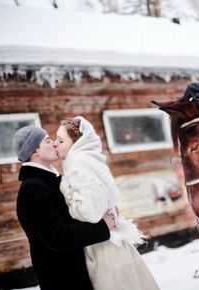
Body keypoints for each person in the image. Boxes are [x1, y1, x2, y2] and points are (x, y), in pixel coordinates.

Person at [55, 116, 160, 290]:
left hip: (104, 250)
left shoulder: (78, 163)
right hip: (110, 242)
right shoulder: (88, 160)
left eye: (61, 140)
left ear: (77, 143)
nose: (56, 144)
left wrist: (65, 190)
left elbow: (90, 212)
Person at [12, 125, 115, 290]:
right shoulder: (32, 190)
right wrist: (103, 227)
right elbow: (58, 237)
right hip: (63, 281)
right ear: (35, 151)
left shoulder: (50, 181)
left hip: (77, 274)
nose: (54, 143)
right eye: (47, 140)